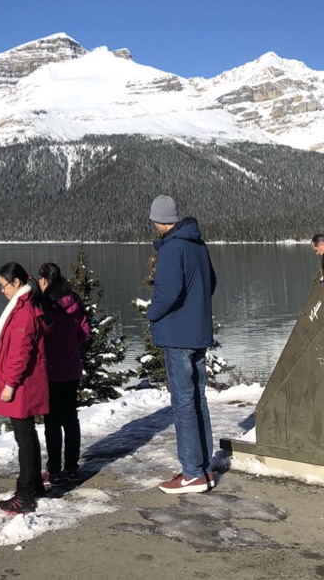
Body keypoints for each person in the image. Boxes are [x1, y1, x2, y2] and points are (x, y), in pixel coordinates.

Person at [147, 195, 218, 494]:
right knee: (197, 399)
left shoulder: (172, 248)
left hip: (177, 336)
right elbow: (211, 282)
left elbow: (167, 293)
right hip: (198, 331)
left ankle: (192, 473)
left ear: (159, 221)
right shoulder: (197, 244)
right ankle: (203, 468)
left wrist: (152, 313)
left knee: (183, 402)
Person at [0, 262, 51, 514]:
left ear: (16, 283)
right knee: (28, 436)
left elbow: (20, 353)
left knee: (24, 439)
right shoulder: (25, 305)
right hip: (26, 383)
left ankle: (25, 495)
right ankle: (35, 485)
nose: (2, 290)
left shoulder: (24, 312)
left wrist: (9, 384)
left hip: (21, 385)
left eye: (4, 285)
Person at [37, 262, 90, 486]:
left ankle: (54, 469)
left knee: (52, 421)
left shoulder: (45, 304)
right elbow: (85, 331)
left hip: (50, 370)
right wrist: (71, 347)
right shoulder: (75, 301)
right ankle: (71, 467)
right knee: (70, 418)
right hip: (71, 368)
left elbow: (37, 333)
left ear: (44, 280)